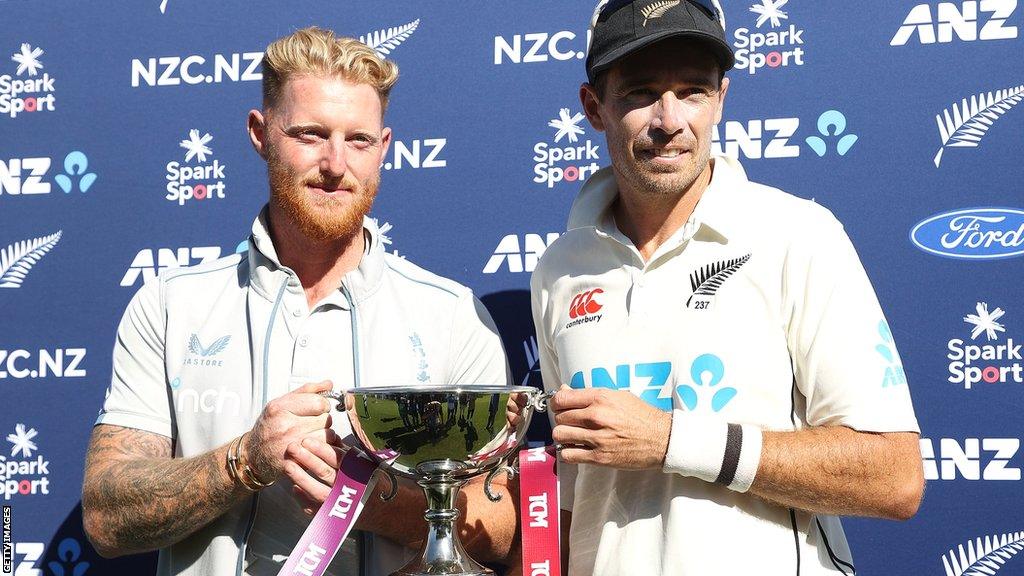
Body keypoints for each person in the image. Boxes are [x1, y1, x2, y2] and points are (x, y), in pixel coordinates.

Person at [81, 27, 515, 576]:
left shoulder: (453, 316)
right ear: (260, 134)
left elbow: (500, 528)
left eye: (358, 140)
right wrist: (244, 462)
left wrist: (368, 499)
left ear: (383, 148)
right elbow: (106, 517)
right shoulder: (168, 306)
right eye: (311, 134)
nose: (336, 163)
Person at [529, 1, 926, 574]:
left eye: (692, 91)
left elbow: (894, 477)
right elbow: (573, 496)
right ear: (594, 107)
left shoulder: (798, 235)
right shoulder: (559, 269)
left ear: (721, 99)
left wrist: (671, 442)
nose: (669, 120)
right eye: (640, 93)